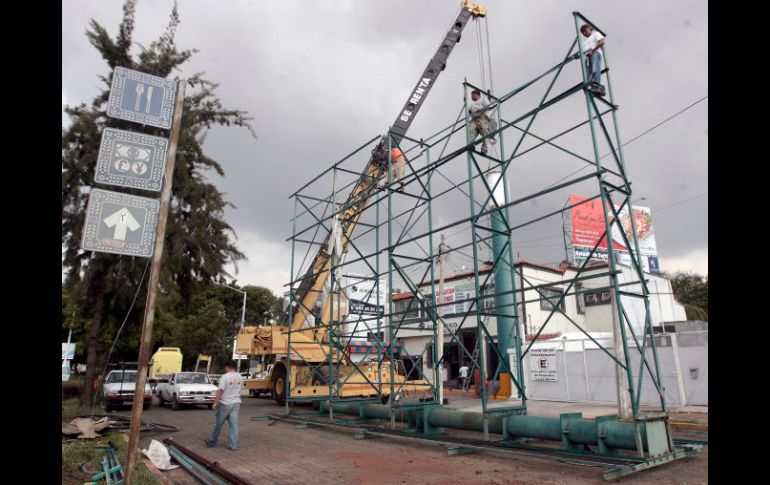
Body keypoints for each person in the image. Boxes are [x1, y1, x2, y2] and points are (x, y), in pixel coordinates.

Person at [206, 361, 243, 450]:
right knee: (234, 425)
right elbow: (241, 389)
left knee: (218, 424)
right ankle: (233, 445)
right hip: (236, 403)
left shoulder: (225, 377)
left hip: (225, 403)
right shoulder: (240, 376)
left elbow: (220, 390)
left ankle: (212, 441)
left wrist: (215, 402)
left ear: (227, 367)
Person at [575, 24, 606, 96]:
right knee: (588, 74)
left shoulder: (596, 34)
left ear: (590, 29)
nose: (584, 33)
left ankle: (596, 85)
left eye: (585, 31)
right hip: (587, 57)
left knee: (595, 68)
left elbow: (601, 42)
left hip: (595, 53)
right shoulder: (584, 43)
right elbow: (581, 53)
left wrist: (592, 50)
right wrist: (577, 55)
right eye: (583, 33)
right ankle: (593, 87)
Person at [468, 90, 497, 155]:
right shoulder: (472, 104)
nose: (471, 97)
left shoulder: (483, 99)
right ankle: (471, 145)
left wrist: (481, 111)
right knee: (471, 131)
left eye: (472, 95)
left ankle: (484, 149)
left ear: (476, 94)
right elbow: (469, 111)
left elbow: (488, 106)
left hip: (482, 118)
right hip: (474, 119)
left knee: (484, 133)